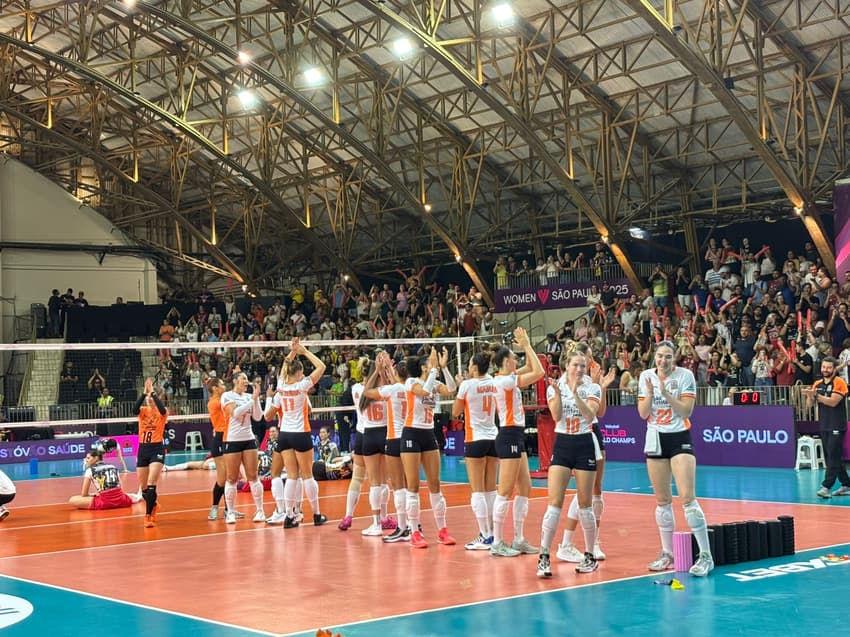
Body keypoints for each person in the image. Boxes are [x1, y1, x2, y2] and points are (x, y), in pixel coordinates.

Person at [637, 340, 714, 576]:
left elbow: (686, 411)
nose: (663, 361)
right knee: (662, 501)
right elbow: (642, 414)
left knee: (688, 499)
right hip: (655, 438)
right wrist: (651, 394)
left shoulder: (685, 376)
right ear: (655, 357)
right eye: (660, 356)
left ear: (674, 358)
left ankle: (705, 556)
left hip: (679, 436)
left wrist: (666, 394)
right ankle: (667, 553)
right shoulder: (645, 376)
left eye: (668, 357)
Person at [537, 350, 602, 577]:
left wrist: (575, 394)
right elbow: (556, 416)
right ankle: (544, 555)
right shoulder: (556, 386)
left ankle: (590, 555)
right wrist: (557, 393)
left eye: (582, 366)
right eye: (575, 365)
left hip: (584, 443)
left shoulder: (593, 387)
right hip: (563, 443)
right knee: (554, 502)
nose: (579, 370)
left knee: (585, 503)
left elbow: (589, 415)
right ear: (567, 365)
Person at [490, 327, 545, 557]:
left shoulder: (506, 378)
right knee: (505, 490)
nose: (517, 360)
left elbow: (533, 368)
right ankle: (497, 541)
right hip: (508, 434)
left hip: (516, 434)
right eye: (514, 358)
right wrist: (527, 345)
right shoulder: (505, 382)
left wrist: (525, 345)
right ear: (506, 363)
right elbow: (539, 371)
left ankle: (519, 539)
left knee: (525, 487)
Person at [265, 337, 328, 527]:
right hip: (300, 433)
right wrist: (304, 351)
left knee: (291, 476)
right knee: (307, 475)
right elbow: (322, 366)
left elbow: (285, 367)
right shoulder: (302, 386)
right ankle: (316, 514)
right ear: (300, 372)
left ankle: (289, 516)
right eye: (302, 372)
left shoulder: (281, 385)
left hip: (285, 435)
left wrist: (292, 351)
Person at [402, 347, 457, 548]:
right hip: (411, 433)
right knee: (413, 486)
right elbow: (424, 391)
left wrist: (443, 368)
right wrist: (434, 370)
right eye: (429, 363)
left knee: (435, 483)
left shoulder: (434, 381)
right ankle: (414, 531)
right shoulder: (411, 382)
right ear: (423, 367)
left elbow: (451, 389)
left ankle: (442, 530)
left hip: (427, 433)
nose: (431, 365)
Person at [452, 351, 498, 551]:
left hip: (475, 438)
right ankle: (494, 534)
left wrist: (463, 386)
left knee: (478, 490)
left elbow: (455, 412)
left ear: (473, 367)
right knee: (491, 490)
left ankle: (485, 535)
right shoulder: (494, 382)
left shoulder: (466, 385)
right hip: (493, 437)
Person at [220, 372, 266, 524]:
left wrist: (256, 399)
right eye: (243, 379)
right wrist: (252, 400)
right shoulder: (227, 396)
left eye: (247, 378)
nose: (246, 381)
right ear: (235, 381)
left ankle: (260, 511)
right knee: (232, 478)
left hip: (248, 439)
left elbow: (258, 417)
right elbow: (235, 413)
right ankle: (231, 512)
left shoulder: (248, 396)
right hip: (232, 439)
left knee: (253, 476)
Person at [803, 357, 850, 497]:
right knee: (832, 455)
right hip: (824, 424)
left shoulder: (839, 382)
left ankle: (826, 486)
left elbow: (833, 402)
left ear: (834, 369)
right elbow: (809, 406)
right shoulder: (817, 383)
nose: (825, 370)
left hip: (837, 424)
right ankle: (847, 484)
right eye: (824, 367)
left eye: (829, 367)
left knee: (833, 457)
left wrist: (816, 395)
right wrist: (810, 396)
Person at [205, 377, 242, 521]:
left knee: (231, 476)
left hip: (229, 437)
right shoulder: (215, 402)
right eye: (221, 384)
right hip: (220, 439)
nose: (224, 386)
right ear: (215, 388)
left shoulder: (223, 399)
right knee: (223, 477)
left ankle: (229, 510)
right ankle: (214, 507)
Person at [135, 379, 168, 528]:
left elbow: (161, 410)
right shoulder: (142, 411)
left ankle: (148, 516)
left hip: (157, 449)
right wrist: (144, 394)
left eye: (151, 397)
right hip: (143, 449)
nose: (149, 399)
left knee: (151, 483)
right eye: (147, 398)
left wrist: (153, 393)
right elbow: (134, 409)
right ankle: (153, 504)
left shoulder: (163, 412)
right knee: (144, 489)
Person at [69, 447, 143, 510]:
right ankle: (139, 495)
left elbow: (84, 494)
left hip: (104, 501)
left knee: (73, 499)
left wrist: (93, 495)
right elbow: (120, 487)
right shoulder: (113, 466)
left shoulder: (89, 471)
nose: (86, 460)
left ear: (96, 458)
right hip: (121, 500)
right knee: (127, 496)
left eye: (88, 458)